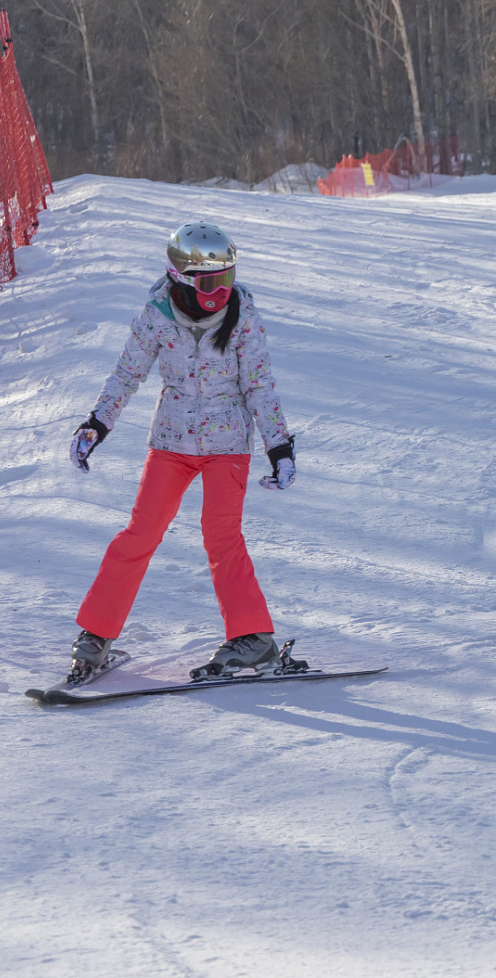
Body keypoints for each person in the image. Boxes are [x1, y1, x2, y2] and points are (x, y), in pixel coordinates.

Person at [62, 220, 298, 683]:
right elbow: (127, 374)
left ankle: (253, 638)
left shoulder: (242, 315)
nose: (223, 289)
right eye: (213, 281)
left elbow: (259, 385)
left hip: (228, 442)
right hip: (172, 441)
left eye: (229, 277)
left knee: (220, 535)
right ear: (183, 279)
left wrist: (280, 447)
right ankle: (97, 633)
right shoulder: (156, 313)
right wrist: (97, 424)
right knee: (140, 533)